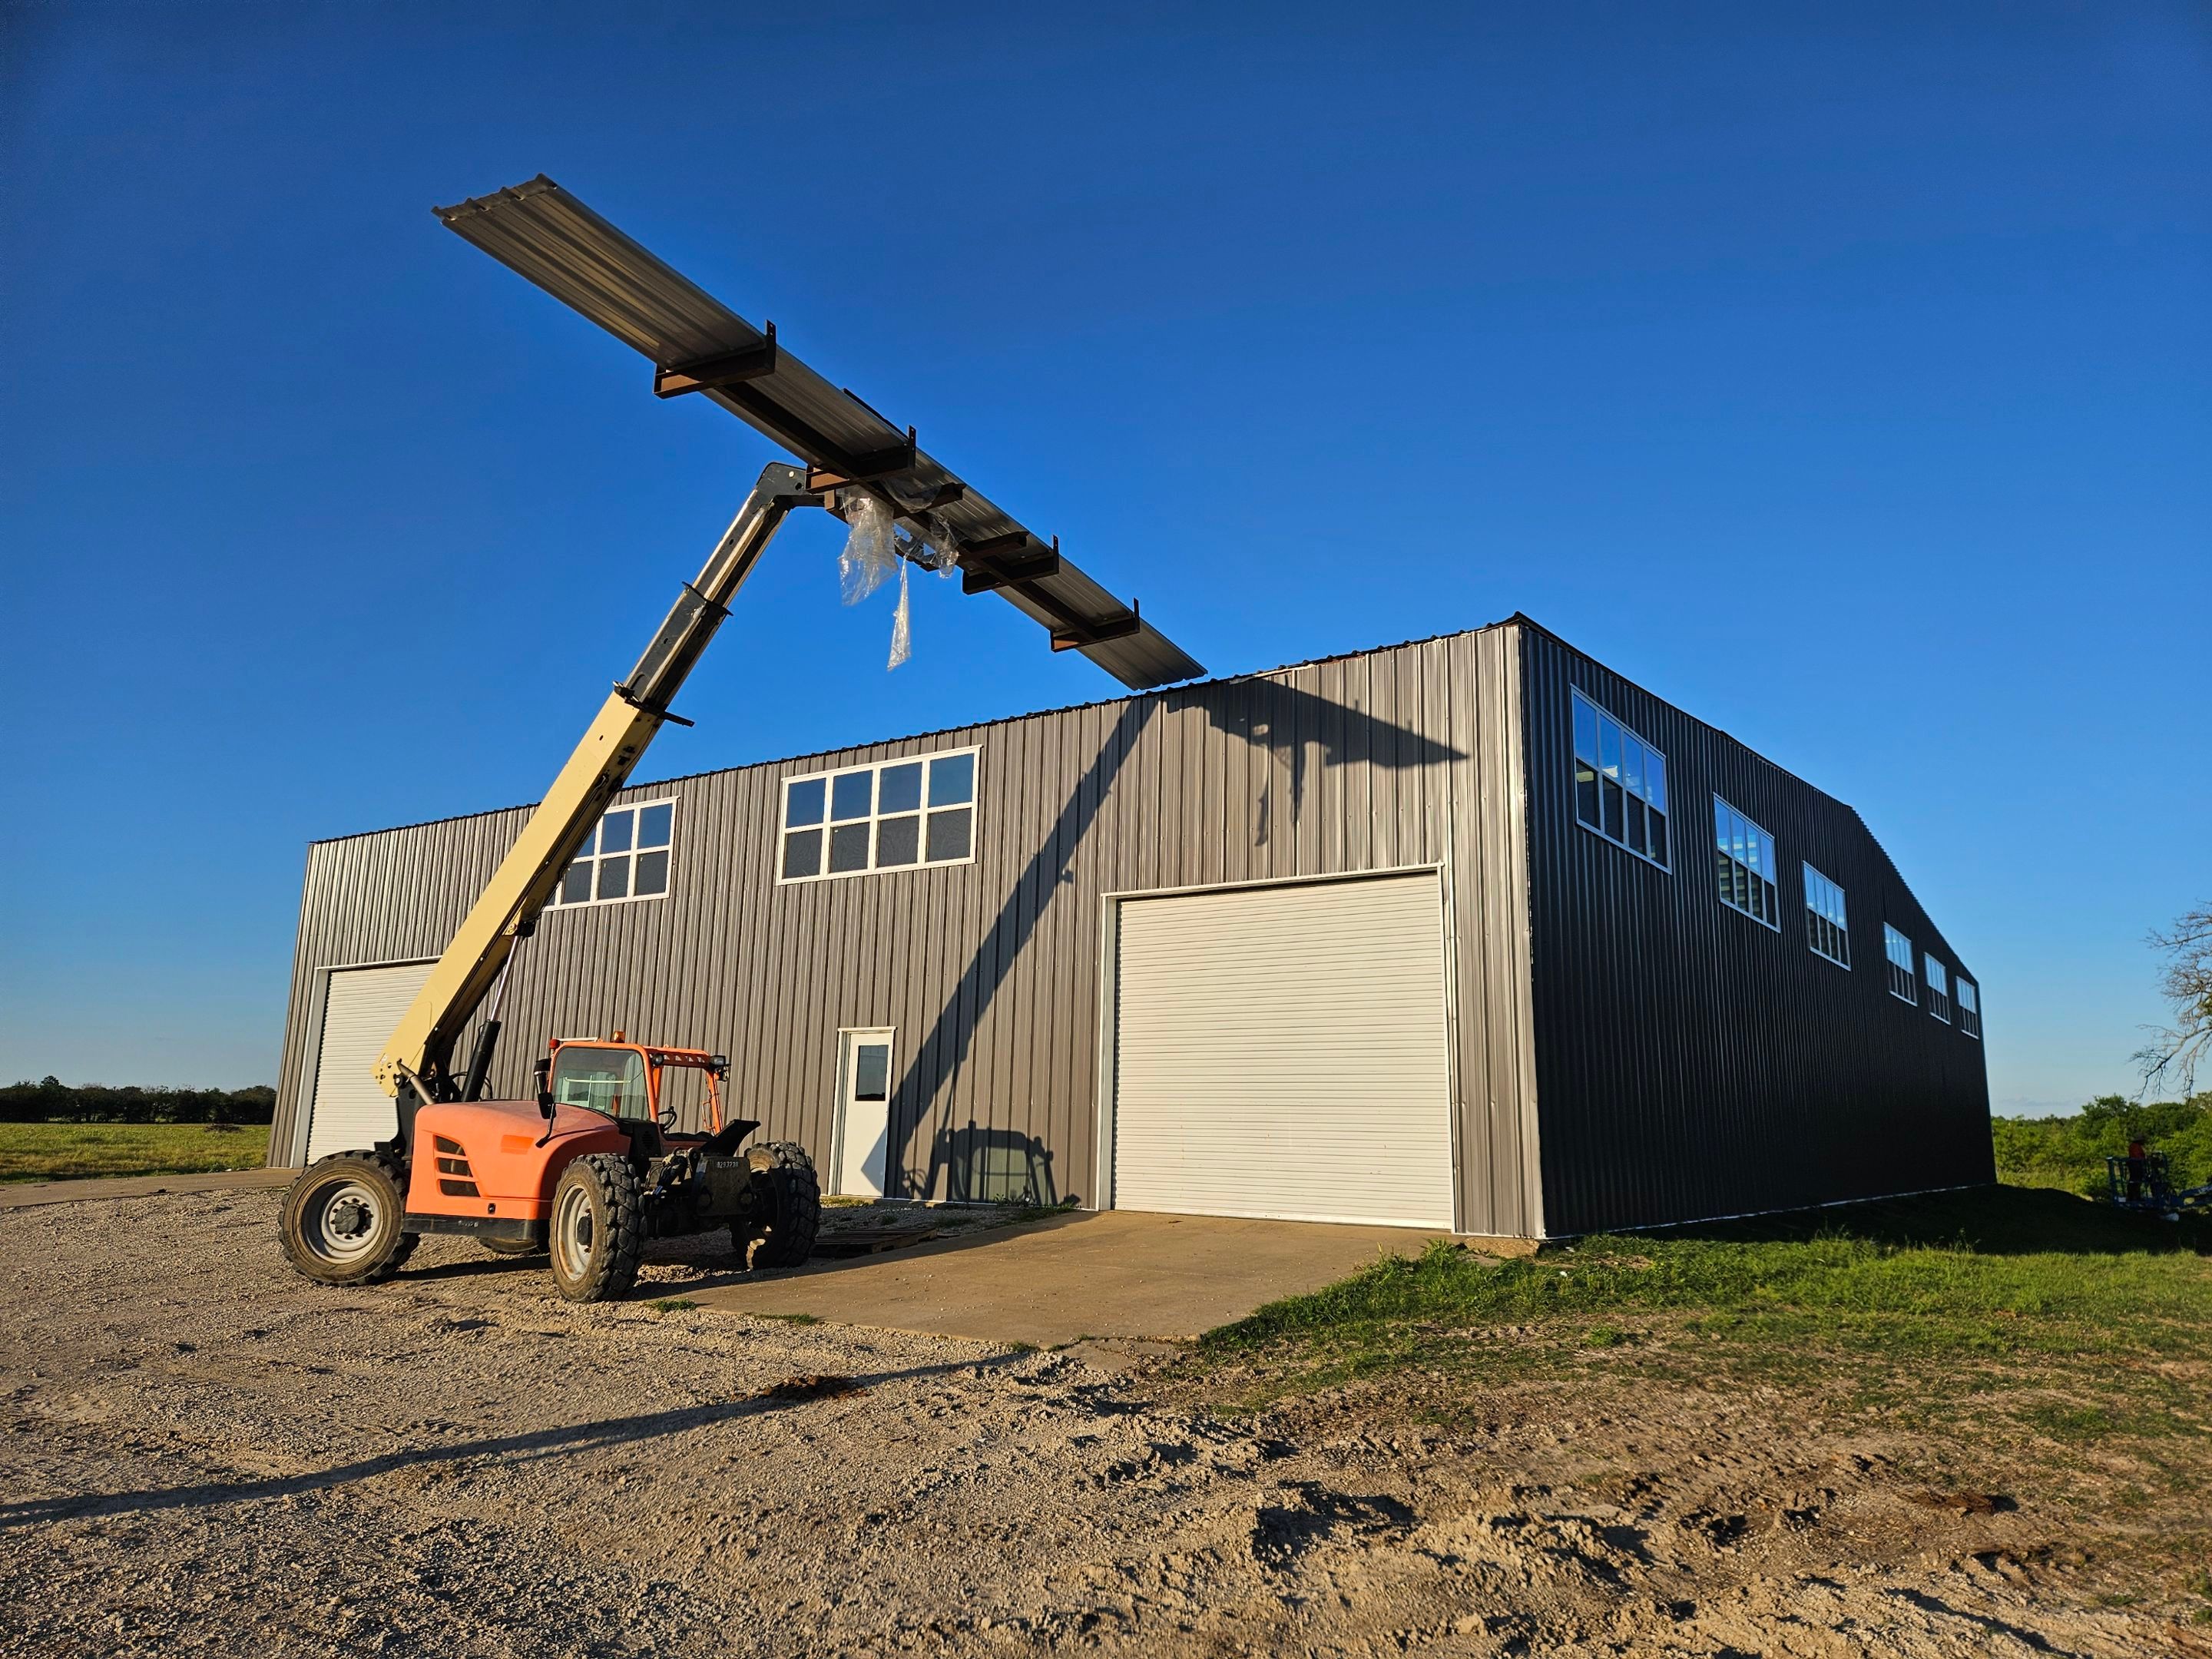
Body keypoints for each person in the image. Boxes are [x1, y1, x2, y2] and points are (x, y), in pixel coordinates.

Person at [2125, 1137, 2147, 1204]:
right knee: (2136, 1182)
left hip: (2135, 1165)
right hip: (2136, 1166)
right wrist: (2144, 1159)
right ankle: (2135, 1197)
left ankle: (2134, 1197)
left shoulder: (2134, 1146)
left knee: (2135, 1182)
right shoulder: (2135, 1147)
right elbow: (2137, 1156)